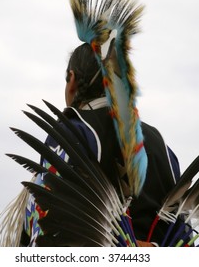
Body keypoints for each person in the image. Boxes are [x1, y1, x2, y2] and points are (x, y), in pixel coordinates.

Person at [19, 42, 181, 247]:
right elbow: (182, 233)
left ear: (72, 80)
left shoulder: (71, 132)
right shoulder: (162, 146)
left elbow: (49, 230)